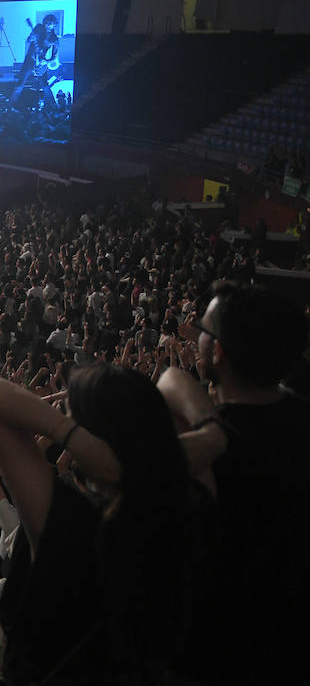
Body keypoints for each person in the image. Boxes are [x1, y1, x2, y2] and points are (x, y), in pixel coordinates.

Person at [0, 362, 191, 683]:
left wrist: (69, 433)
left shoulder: (68, 517)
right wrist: (212, 428)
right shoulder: (179, 502)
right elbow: (175, 381)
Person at [158, 282, 310, 684]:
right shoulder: (299, 419)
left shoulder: (203, 451)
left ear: (218, 352)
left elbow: (169, 380)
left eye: (204, 330)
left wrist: (208, 423)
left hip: (215, 655)